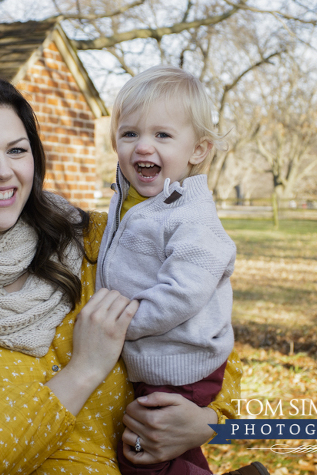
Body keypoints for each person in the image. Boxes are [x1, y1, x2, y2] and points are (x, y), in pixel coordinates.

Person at [0, 72, 259, 475]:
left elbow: (210, 350)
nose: (2, 171)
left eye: (16, 150)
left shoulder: (98, 243)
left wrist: (209, 427)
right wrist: (82, 371)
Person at [96, 65, 246, 475]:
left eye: (162, 135)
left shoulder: (192, 216)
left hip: (182, 362)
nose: (143, 146)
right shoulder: (132, 203)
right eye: (130, 134)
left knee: (142, 455)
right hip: (155, 359)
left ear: (197, 150)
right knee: (172, 451)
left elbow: (182, 292)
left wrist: (118, 325)